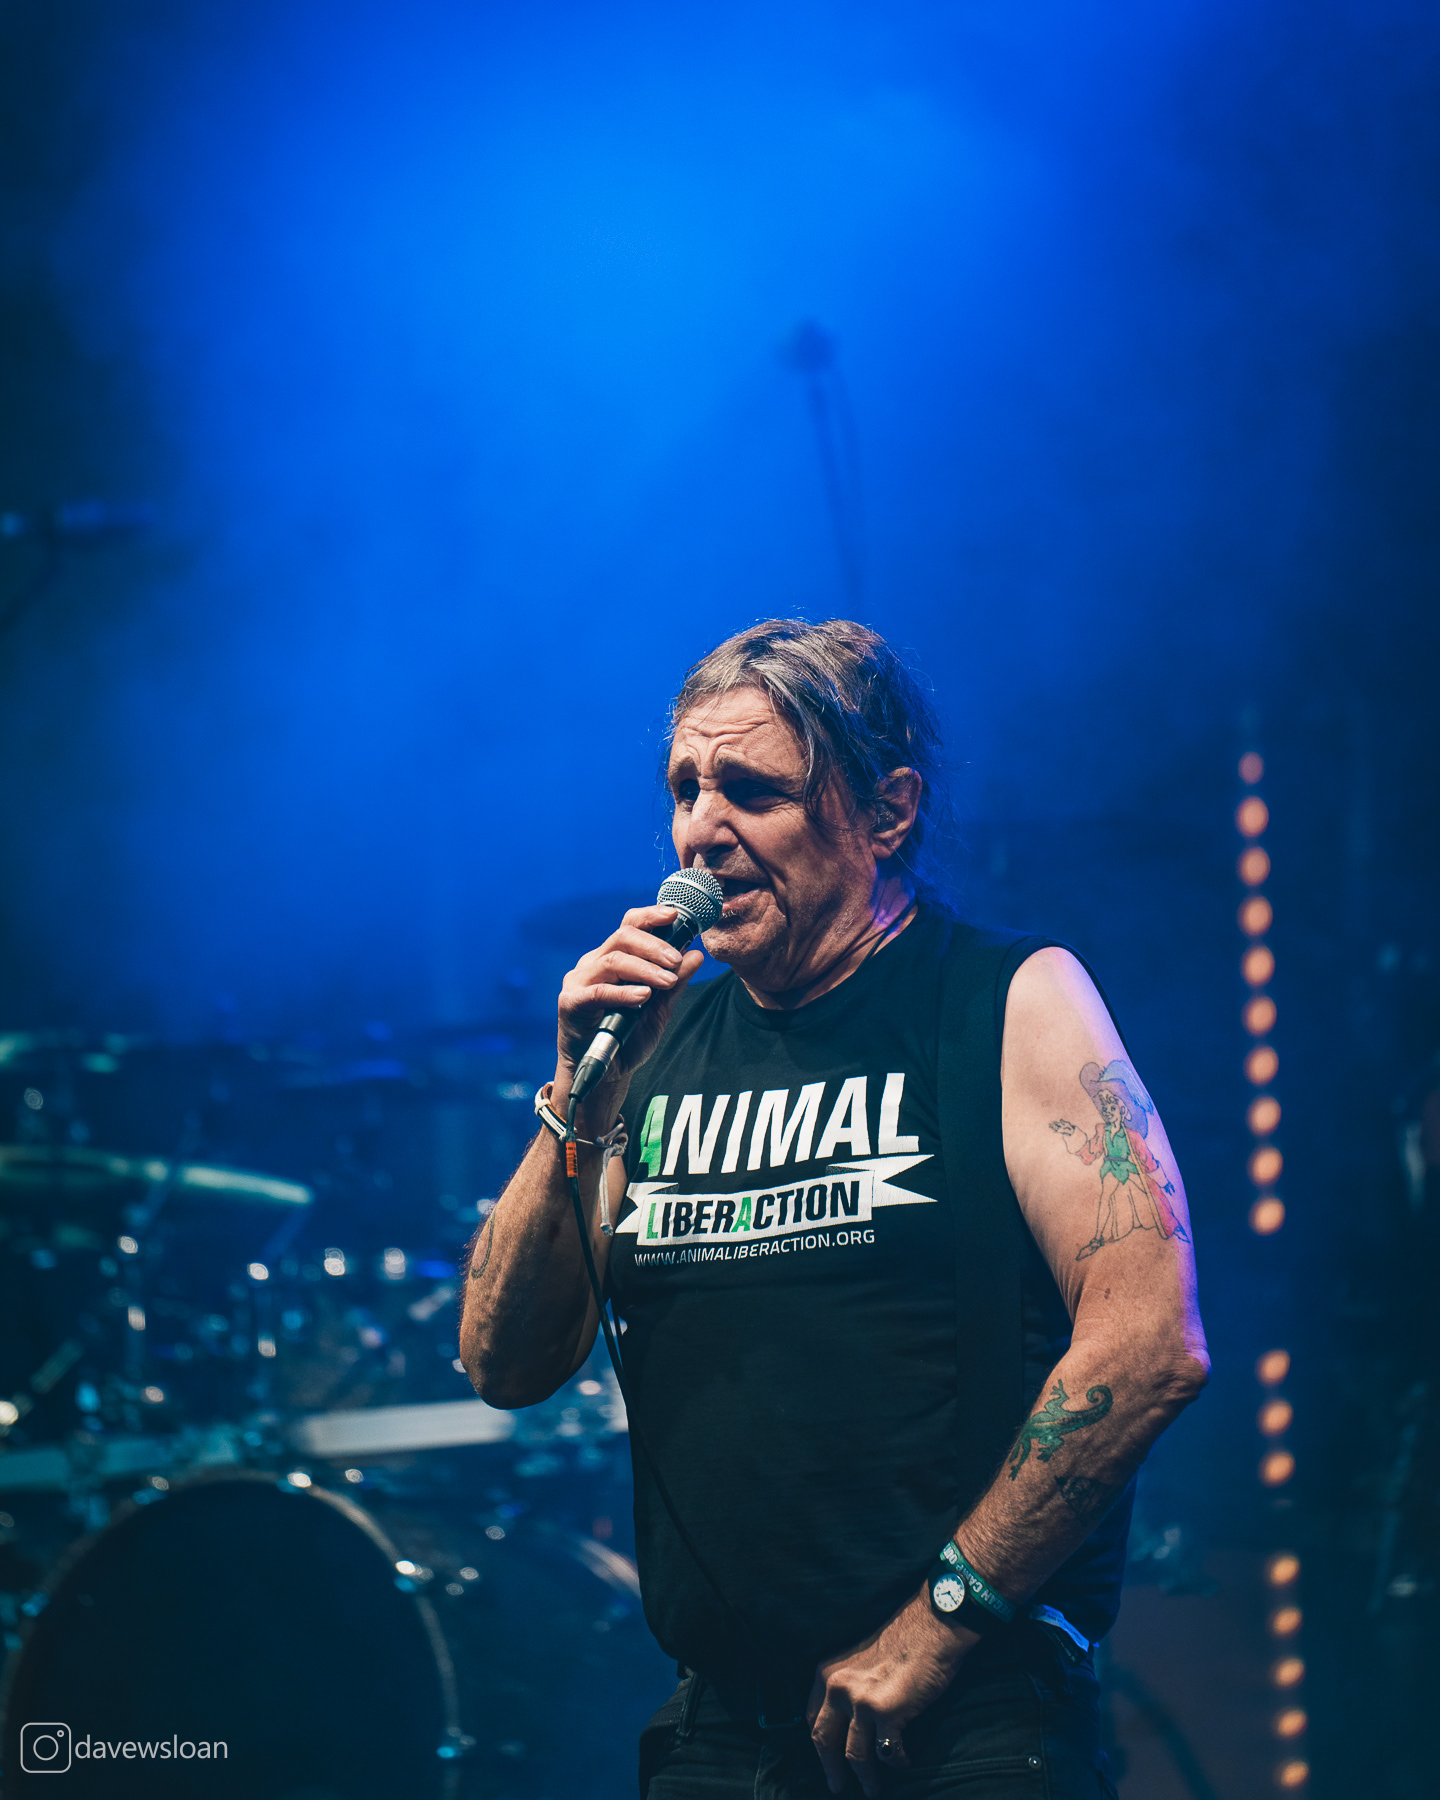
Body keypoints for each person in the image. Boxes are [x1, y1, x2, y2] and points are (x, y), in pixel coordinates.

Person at [459, 619, 1208, 1799]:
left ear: (887, 812)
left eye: (752, 790)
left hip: (964, 1716)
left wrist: (942, 1622)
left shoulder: (1007, 1001)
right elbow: (504, 1364)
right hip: (721, 1730)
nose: (702, 829)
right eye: (686, 789)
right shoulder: (651, 1052)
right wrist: (574, 1092)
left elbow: (1149, 1343)